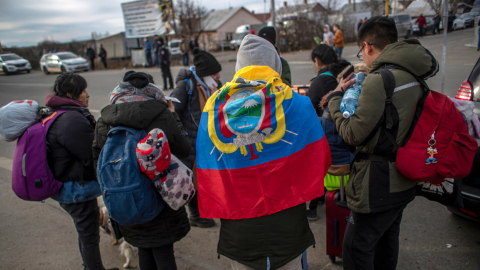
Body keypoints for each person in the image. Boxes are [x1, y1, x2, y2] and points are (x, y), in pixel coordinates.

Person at [195, 34, 330, 270]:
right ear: (274, 63)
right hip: (288, 224)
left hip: (239, 229)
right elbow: (320, 160)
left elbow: (207, 169)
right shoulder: (298, 103)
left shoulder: (212, 109)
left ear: (239, 67)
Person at [325, 16, 439, 269]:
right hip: (404, 176)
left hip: (377, 183)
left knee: (356, 248)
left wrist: (335, 100)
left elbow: (353, 134)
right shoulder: (414, 73)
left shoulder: (380, 79)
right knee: (387, 240)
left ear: (367, 46)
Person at [92, 71, 192, 270]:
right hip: (160, 194)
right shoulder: (162, 113)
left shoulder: (106, 119)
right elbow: (184, 149)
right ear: (152, 89)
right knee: (163, 253)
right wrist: (173, 115)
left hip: (125, 196)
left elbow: (97, 159)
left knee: (144, 249)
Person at [46, 73, 118, 270]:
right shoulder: (71, 120)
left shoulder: (62, 114)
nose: (87, 95)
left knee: (85, 231)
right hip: (76, 188)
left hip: (72, 186)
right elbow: (91, 154)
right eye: (83, 91)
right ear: (71, 94)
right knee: (89, 234)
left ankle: (90, 266)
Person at [171, 48, 222, 228]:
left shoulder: (215, 86)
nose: (218, 76)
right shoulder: (185, 86)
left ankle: (202, 210)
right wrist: (183, 135)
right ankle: (194, 214)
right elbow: (172, 112)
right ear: (205, 74)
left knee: (204, 177)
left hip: (208, 141)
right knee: (191, 179)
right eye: (215, 73)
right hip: (190, 141)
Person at [305, 44, 350, 220]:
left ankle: (313, 208)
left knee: (318, 169)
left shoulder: (319, 82)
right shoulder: (343, 74)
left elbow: (307, 109)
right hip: (344, 129)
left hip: (324, 131)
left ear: (317, 61)